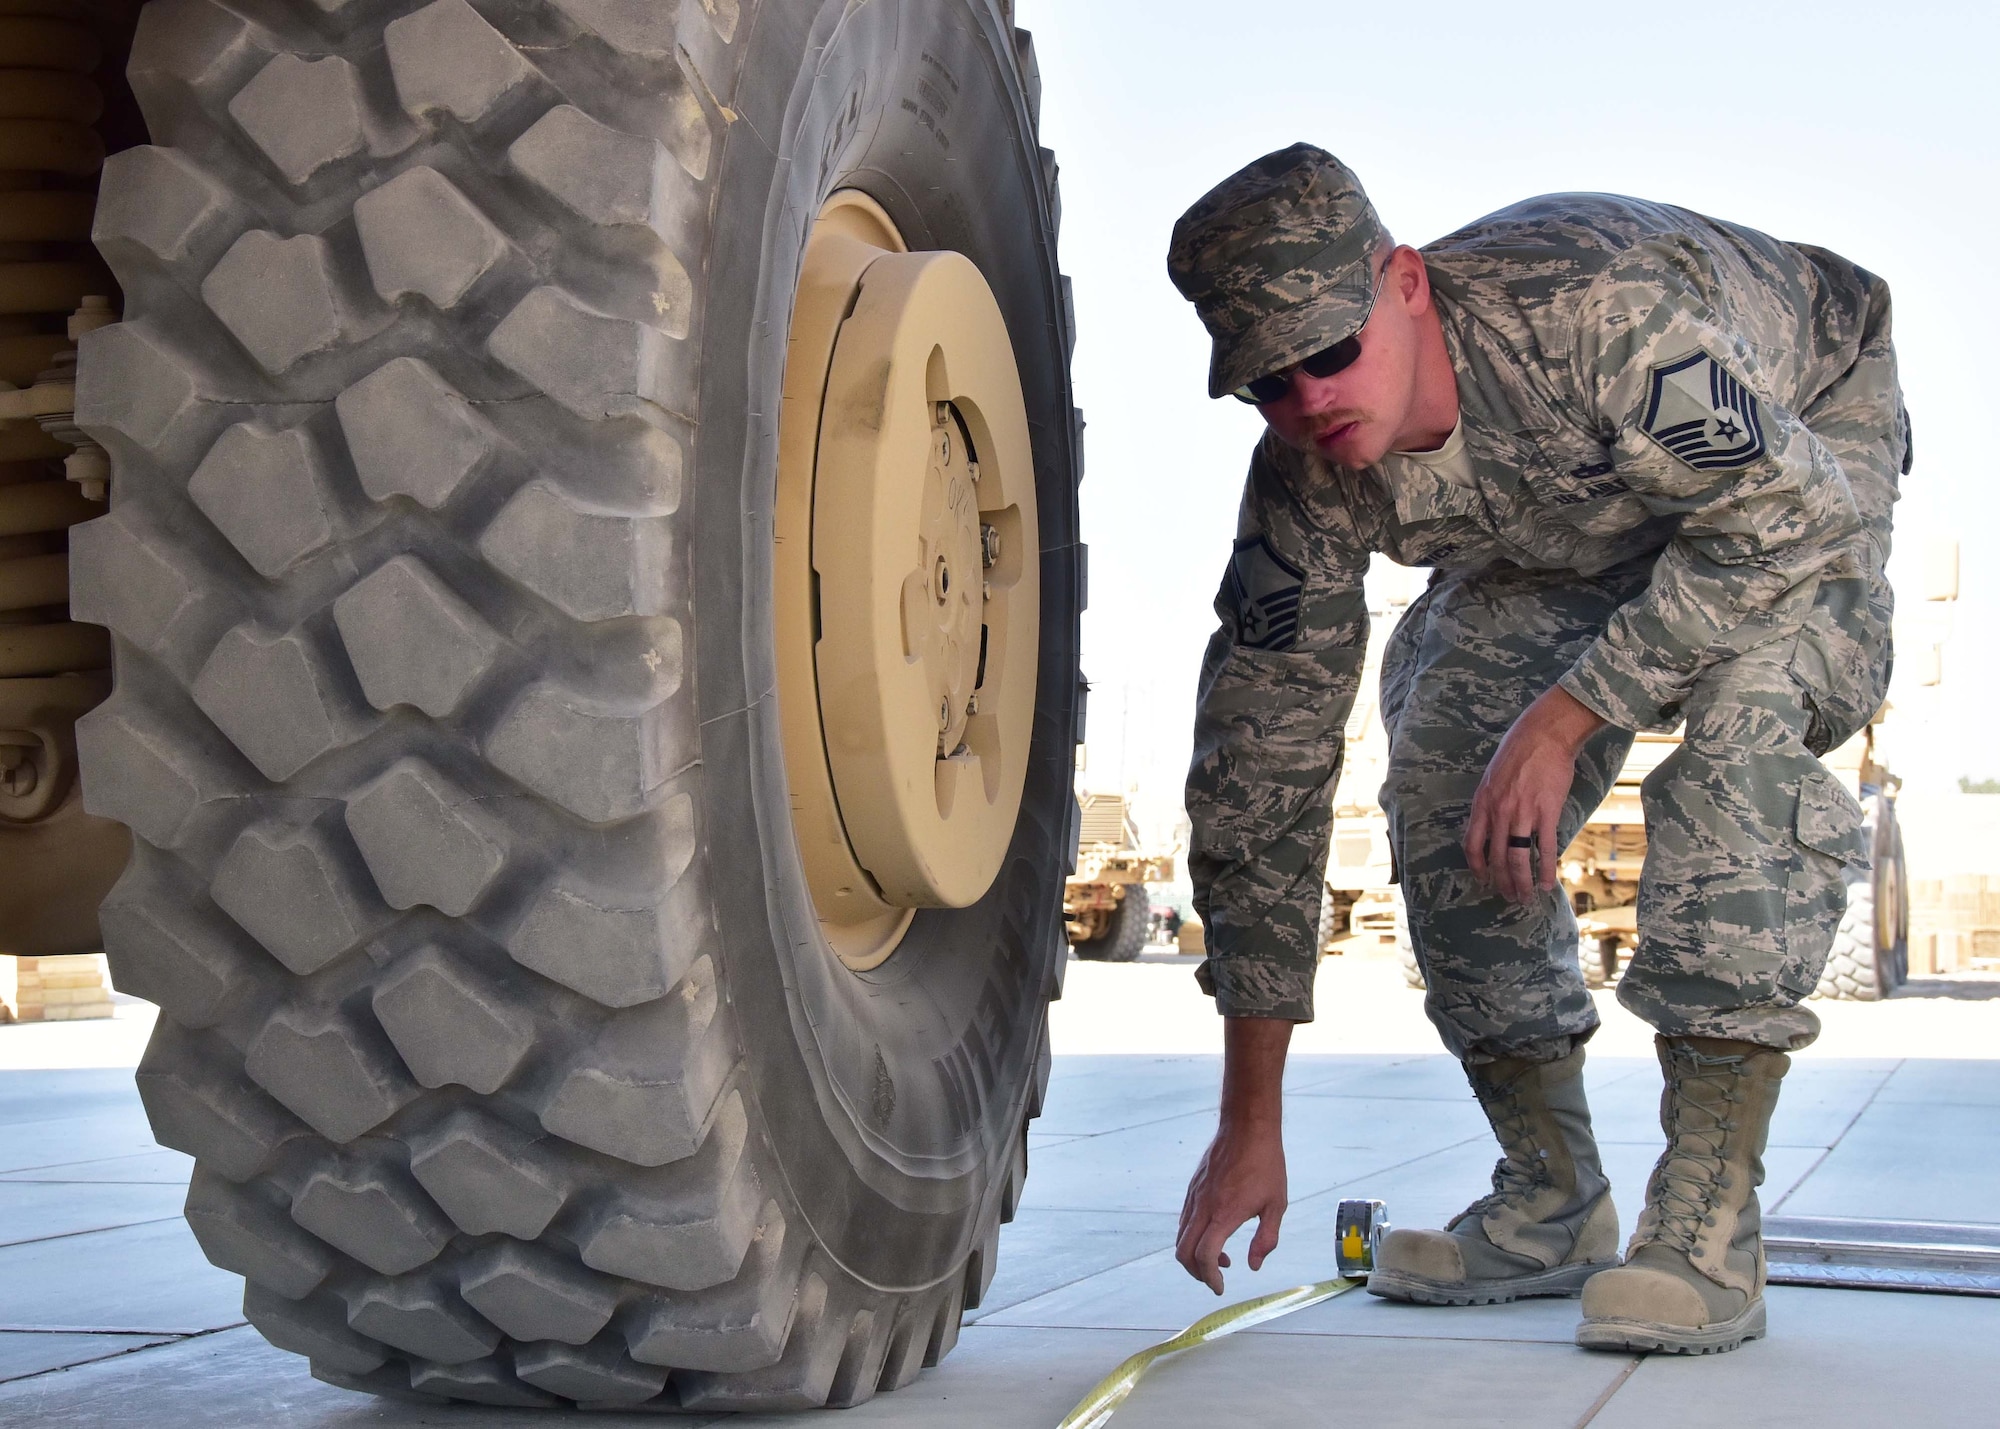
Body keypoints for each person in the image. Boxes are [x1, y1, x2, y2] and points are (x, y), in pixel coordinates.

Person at [1164, 144, 1904, 1355]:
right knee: (1448, 774)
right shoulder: (1303, 477)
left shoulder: (1596, 318)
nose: (1307, 400)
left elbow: (1783, 514)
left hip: (1793, 449)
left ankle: (1708, 1222)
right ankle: (1551, 1196)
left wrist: (1569, 713)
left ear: (1404, 284)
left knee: (1739, 747)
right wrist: (1251, 1114)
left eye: (1329, 351)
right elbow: (1260, 768)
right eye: (1266, 384)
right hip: (1572, 520)